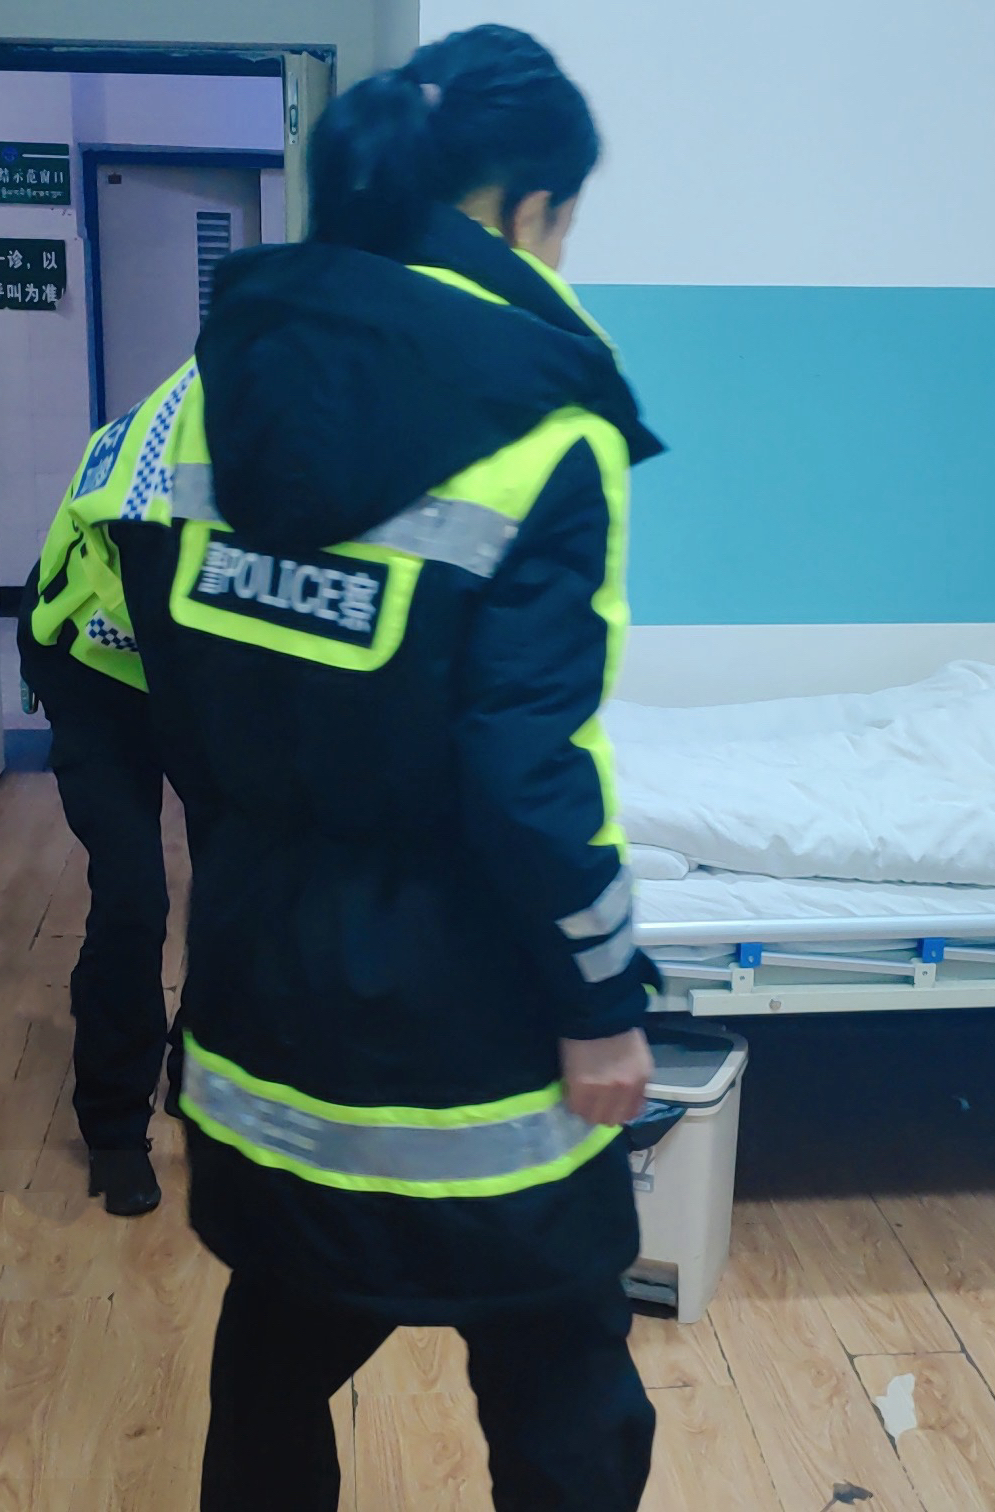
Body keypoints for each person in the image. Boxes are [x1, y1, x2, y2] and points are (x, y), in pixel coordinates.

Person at [70, 26, 665, 1510]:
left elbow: (176, 681)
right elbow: (528, 768)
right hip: (470, 1032)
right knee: (565, 1392)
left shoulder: (220, 382)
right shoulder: (550, 430)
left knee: (274, 1356)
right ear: (528, 206)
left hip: (261, 988)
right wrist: (601, 1004)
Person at [16, 462, 183, 1216]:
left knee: (240, 876)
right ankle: (115, 1127)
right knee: (133, 895)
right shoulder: (164, 450)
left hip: (200, 675)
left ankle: (198, 1066)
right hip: (89, 663)